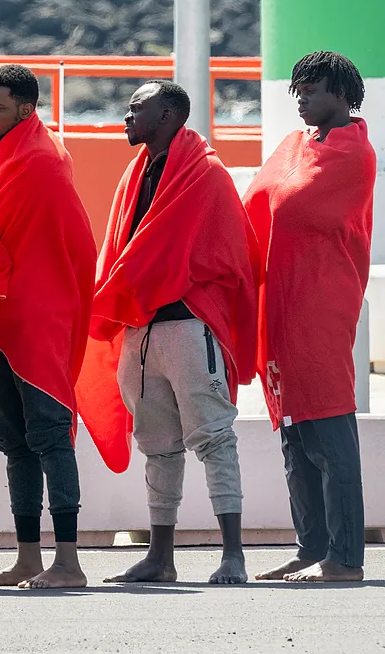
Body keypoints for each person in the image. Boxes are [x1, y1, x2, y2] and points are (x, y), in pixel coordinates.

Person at [79, 81, 258, 585]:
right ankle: (161, 558)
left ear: (170, 115)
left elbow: (230, 256)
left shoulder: (207, 174)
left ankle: (234, 556)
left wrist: (169, 275)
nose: (127, 114)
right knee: (156, 444)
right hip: (141, 329)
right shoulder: (135, 175)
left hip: (187, 324)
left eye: (139, 107)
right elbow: (122, 251)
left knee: (215, 437)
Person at [0, 64, 100, 590]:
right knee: (14, 440)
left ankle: (69, 562)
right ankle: (27, 557)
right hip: (2, 315)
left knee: (49, 434)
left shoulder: (43, 161)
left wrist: (44, 298)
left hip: (38, 316)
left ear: (26, 108)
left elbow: (73, 245)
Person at [243, 51, 373, 583]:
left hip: (321, 304)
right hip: (281, 304)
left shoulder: (353, 156)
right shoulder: (295, 145)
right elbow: (259, 201)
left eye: (313, 91)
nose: (302, 101)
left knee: (329, 430)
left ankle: (345, 557)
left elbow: (300, 207)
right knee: (294, 433)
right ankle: (310, 546)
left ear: (342, 95)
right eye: (297, 91)